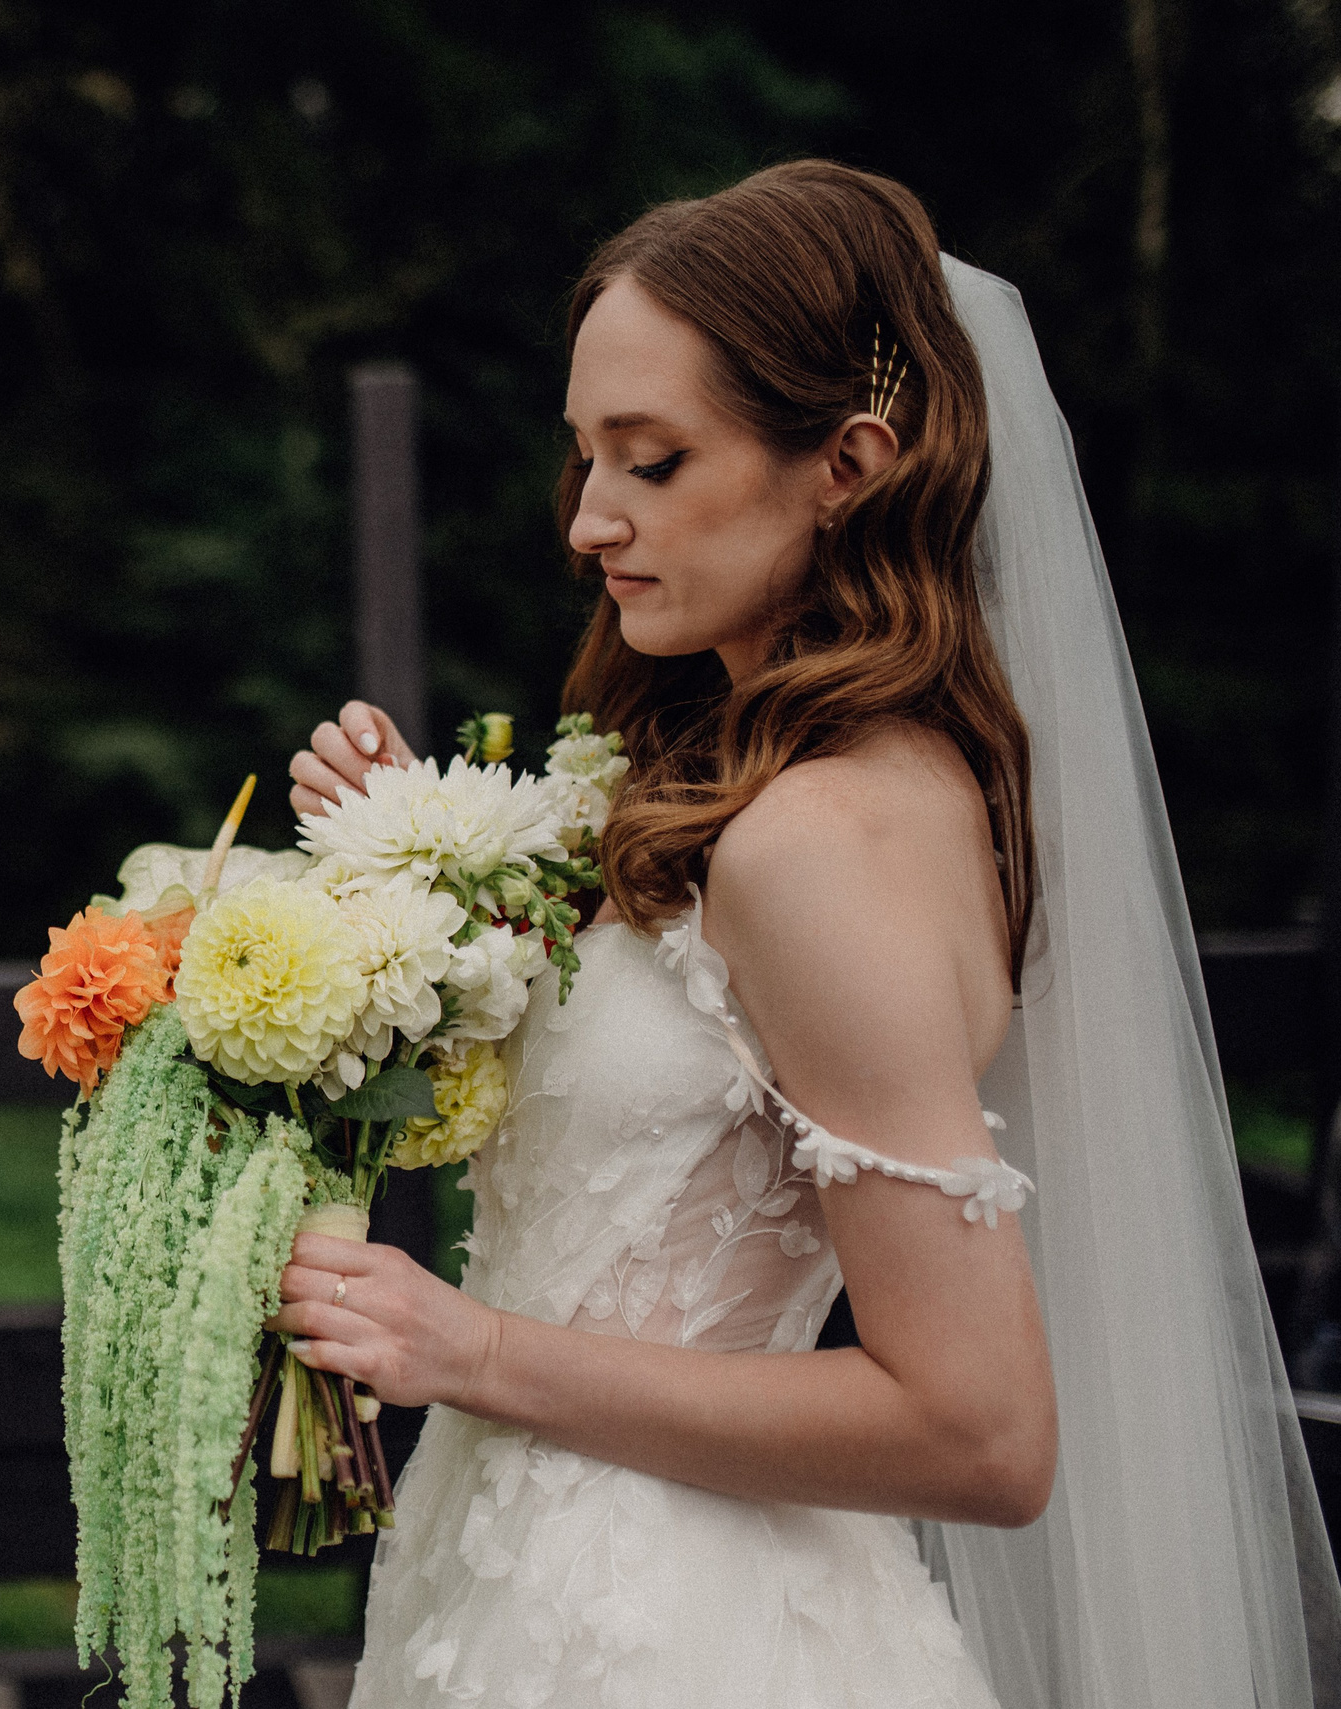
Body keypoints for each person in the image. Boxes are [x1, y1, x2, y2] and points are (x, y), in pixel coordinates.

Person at [280, 160, 1338, 1709]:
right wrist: (417, 865)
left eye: (652, 460)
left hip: (676, 1636)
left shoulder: (818, 841)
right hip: (525, 1579)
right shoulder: (775, 778)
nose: (589, 519)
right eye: (585, 455)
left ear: (846, 463)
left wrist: (477, 1352)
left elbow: (980, 1431)